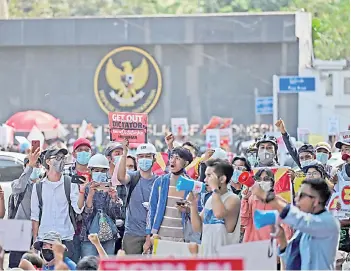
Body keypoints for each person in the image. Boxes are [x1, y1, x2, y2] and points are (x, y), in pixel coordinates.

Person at [251, 178, 340, 270]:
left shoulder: (328, 222)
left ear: (316, 201)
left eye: (301, 196)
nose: (296, 199)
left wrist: (266, 196)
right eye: (297, 195)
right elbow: (291, 260)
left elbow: (299, 219)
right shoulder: (305, 227)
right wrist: (282, 239)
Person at [31, 148, 85, 260]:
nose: (61, 161)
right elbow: (35, 216)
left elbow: (78, 209)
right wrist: (35, 241)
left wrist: (82, 191)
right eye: (57, 158)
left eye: (63, 158)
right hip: (45, 239)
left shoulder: (69, 182)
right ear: (48, 162)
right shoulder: (38, 187)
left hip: (66, 237)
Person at [188, 159, 241, 256]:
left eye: (209, 176)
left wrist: (215, 189)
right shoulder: (211, 199)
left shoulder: (233, 199)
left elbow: (219, 214)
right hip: (207, 257)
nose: (205, 180)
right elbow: (198, 228)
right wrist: (193, 204)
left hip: (225, 259)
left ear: (222, 179)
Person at [146, 147, 194, 245]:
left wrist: (189, 210)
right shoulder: (160, 182)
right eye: (172, 157)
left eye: (178, 158)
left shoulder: (191, 185)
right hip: (160, 236)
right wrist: (149, 234)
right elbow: (152, 209)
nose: (173, 161)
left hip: (182, 237)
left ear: (186, 163)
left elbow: (197, 212)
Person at [117, 140, 158, 255]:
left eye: (148, 156)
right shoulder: (133, 176)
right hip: (132, 234)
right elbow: (121, 177)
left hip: (152, 235)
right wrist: (124, 153)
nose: (144, 159)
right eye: (141, 156)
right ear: (137, 160)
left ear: (154, 158)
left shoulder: (159, 181)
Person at [80, 154, 122, 256]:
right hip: (89, 235)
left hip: (108, 234)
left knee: (107, 264)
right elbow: (85, 216)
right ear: (90, 171)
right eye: (96, 170)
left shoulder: (111, 187)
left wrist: (114, 198)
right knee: (90, 265)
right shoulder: (85, 187)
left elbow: (117, 214)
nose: (100, 173)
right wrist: (90, 194)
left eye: (103, 171)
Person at [9, 148, 42, 268]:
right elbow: (18, 188)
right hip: (20, 229)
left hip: (38, 229)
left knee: (35, 265)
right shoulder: (17, 183)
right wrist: (30, 168)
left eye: (37, 163)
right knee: (16, 264)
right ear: (25, 167)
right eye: (31, 163)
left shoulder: (43, 184)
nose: (35, 166)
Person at [104, 142, 128, 253]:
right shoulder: (103, 177)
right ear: (109, 158)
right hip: (107, 226)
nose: (120, 156)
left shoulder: (126, 176)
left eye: (122, 154)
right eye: (117, 153)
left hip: (125, 225)